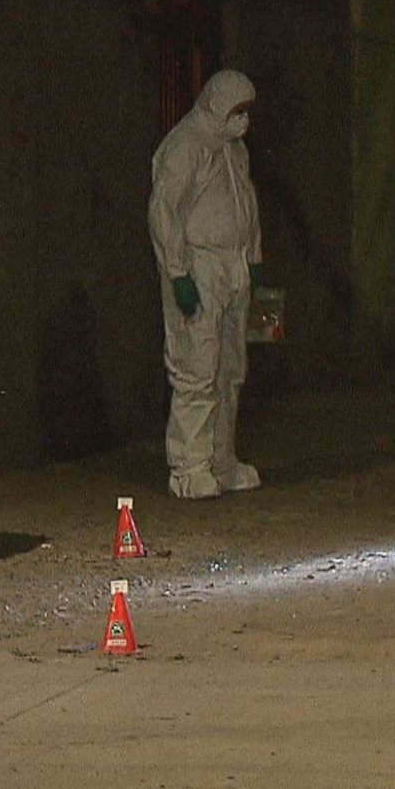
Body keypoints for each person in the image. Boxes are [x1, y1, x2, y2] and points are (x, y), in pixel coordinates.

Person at [148, 70, 265, 500]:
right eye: (238, 111)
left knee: (229, 369)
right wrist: (178, 272)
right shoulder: (187, 146)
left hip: (231, 265)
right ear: (218, 107)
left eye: (247, 112)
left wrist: (253, 257)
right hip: (199, 266)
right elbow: (164, 211)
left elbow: (246, 204)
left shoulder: (233, 151)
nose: (244, 120)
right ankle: (189, 467)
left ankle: (221, 460)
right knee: (196, 366)